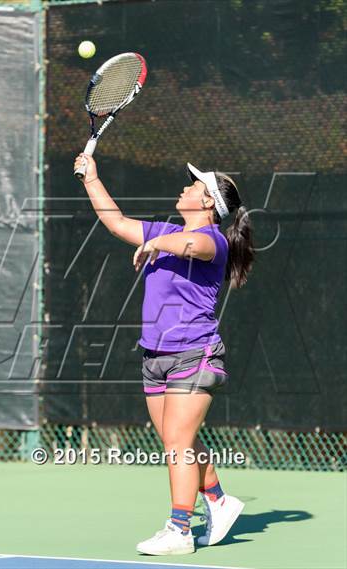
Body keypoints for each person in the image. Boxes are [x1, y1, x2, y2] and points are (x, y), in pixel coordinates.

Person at [73, 153, 255, 555]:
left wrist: (157, 242)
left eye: (193, 185)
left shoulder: (215, 242)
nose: (185, 187)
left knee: (177, 441)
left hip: (195, 356)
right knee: (178, 441)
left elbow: (191, 244)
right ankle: (220, 501)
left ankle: (180, 530)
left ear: (207, 202)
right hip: (154, 358)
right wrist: (92, 179)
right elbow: (117, 222)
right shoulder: (163, 230)